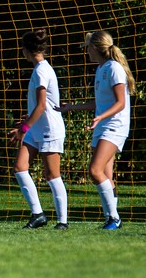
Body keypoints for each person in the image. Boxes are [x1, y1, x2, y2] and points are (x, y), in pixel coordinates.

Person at [56, 31, 134, 230]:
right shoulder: (101, 69)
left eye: (88, 47)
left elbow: (120, 103)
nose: (86, 51)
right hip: (103, 124)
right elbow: (98, 103)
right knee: (106, 174)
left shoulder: (114, 68)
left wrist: (101, 117)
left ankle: (114, 218)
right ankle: (111, 218)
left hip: (114, 126)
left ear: (96, 48)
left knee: (95, 170)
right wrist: (71, 107)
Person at [7, 29, 68, 230]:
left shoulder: (42, 70)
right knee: (20, 167)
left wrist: (24, 128)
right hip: (36, 129)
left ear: (27, 50)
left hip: (49, 128)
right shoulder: (39, 69)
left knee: (52, 175)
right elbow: (40, 105)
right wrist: (28, 122)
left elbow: (42, 105)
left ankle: (63, 222)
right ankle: (38, 214)